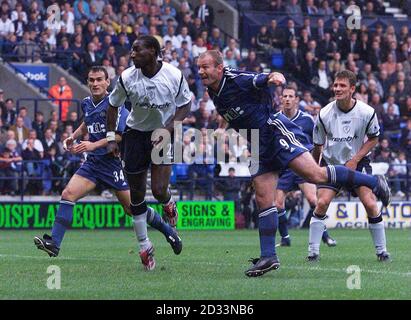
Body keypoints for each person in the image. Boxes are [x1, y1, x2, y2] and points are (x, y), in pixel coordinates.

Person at [196, 50, 391, 277]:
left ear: (219, 68)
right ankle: (269, 256)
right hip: (257, 142)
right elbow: (234, 111)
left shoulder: (235, 78)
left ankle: (374, 182)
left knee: (315, 176)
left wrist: (275, 77)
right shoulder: (212, 88)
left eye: (205, 67)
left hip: (274, 131)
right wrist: (222, 127)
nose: (201, 71)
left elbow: (264, 77)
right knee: (263, 198)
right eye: (199, 67)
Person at [34, 66, 182, 261]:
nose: (95, 83)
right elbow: (87, 122)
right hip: (93, 164)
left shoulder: (116, 104)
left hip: (113, 164)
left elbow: (119, 136)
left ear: (107, 82)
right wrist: (73, 136)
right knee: (68, 194)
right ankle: (54, 242)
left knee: (132, 209)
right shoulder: (86, 103)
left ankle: (168, 231)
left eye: (99, 80)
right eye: (91, 80)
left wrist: (91, 145)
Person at [106, 36, 192, 270]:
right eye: (131, 51)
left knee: (159, 190)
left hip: (162, 134)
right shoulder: (126, 78)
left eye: (137, 50)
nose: (132, 54)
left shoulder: (174, 75)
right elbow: (113, 105)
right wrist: (112, 138)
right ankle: (145, 247)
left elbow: (186, 104)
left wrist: (169, 127)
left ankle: (168, 202)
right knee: (136, 196)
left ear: (153, 51)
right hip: (134, 135)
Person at [308, 70, 391, 262]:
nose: (337, 88)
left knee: (370, 203)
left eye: (342, 85)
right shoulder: (324, 113)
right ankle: (313, 253)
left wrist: (356, 159)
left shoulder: (367, 112)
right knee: (321, 203)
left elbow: (374, 138)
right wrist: (313, 169)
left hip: (358, 162)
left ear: (352, 89)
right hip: (332, 164)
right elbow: (318, 146)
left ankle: (382, 251)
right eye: (335, 85)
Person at [275, 86, 336, 247]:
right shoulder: (275, 120)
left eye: (290, 96)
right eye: (285, 96)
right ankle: (285, 238)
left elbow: (317, 142)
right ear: (281, 99)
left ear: (296, 100)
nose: (287, 99)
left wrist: (316, 161)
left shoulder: (307, 120)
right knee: (278, 203)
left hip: (303, 166)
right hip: (286, 168)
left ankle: (325, 236)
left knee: (313, 200)